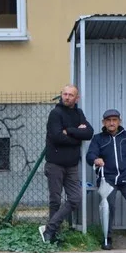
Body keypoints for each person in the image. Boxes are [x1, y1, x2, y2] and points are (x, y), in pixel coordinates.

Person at [86, 109, 126, 250]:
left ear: (119, 121)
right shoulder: (98, 138)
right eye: (108, 120)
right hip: (107, 179)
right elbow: (90, 156)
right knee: (108, 206)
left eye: (114, 120)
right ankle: (107, 239)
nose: (111, 123)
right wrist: (96, 159)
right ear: (104, 122)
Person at [40, 84, 93, 244]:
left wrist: (69, 130)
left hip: (71, 165)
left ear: (77, 98)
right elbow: (57, 137)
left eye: (71, 95)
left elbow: (89, 133)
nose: (67, 97)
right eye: (65, 94)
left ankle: (49, 229)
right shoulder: (55, 113)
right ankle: (51, 236)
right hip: (55, 164)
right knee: (55, 200)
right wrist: (77, 136)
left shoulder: (78, 113)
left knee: (75, 198)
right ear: (61, 95)